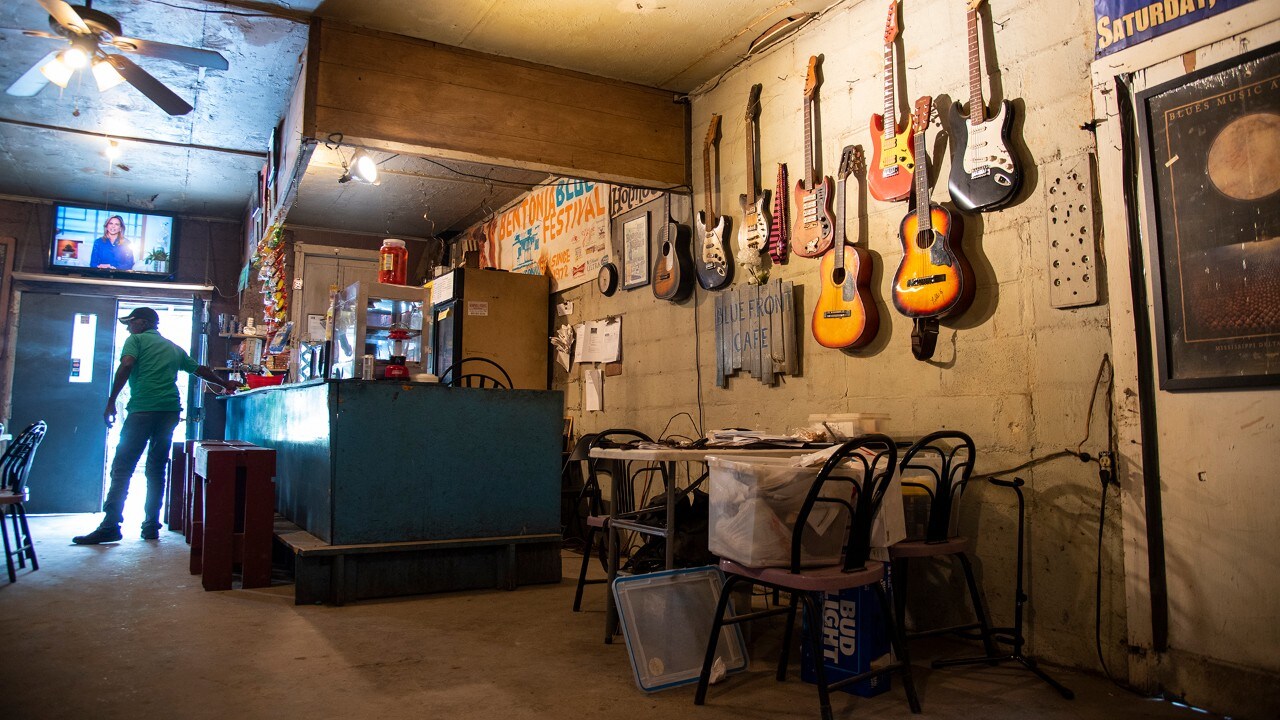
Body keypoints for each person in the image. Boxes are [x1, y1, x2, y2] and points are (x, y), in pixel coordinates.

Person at [72, 307, 239, 545]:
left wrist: (111, 401)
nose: (128, 327)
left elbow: (127, 364)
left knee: (122, 467)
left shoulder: (135, 340)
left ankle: (110, 525)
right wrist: (224, 383)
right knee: (156, 468)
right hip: (169, 411)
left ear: (143, 323)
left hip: (143, 409)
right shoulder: (172, 347)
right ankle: (151, 526)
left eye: (131, 322)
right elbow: (198, 369)